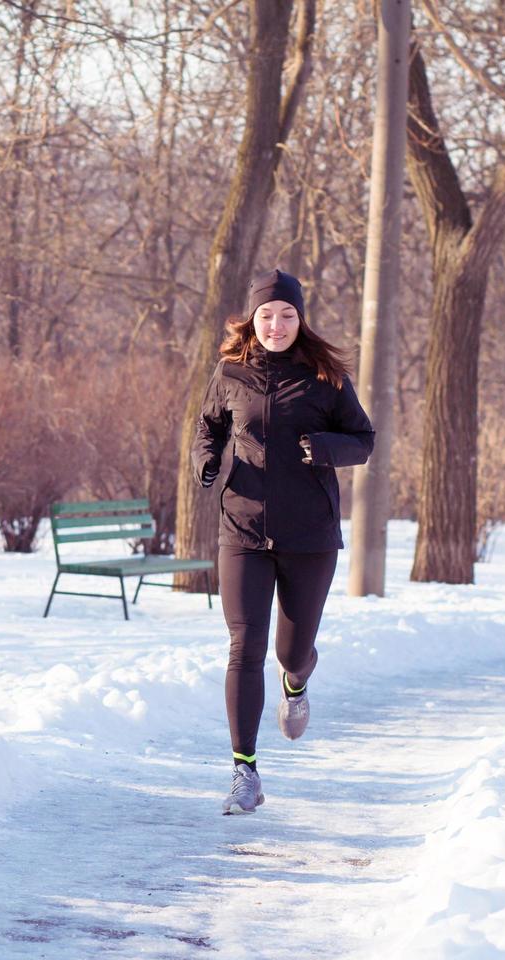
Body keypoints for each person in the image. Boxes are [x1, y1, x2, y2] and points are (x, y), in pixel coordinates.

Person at [192, 268, 376, 815]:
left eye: (287, 315)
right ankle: (244, 771)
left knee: (290, 651)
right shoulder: (230, 372)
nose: (276, 325)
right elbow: (209, 427)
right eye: (267, 315)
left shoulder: (326, 377)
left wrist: (322, 447)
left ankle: (296, 682)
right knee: (243, 648)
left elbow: (363, 441)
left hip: (309, 534)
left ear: (301, 319)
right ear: (253, 319)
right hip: (243, 527)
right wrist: (206, 460)